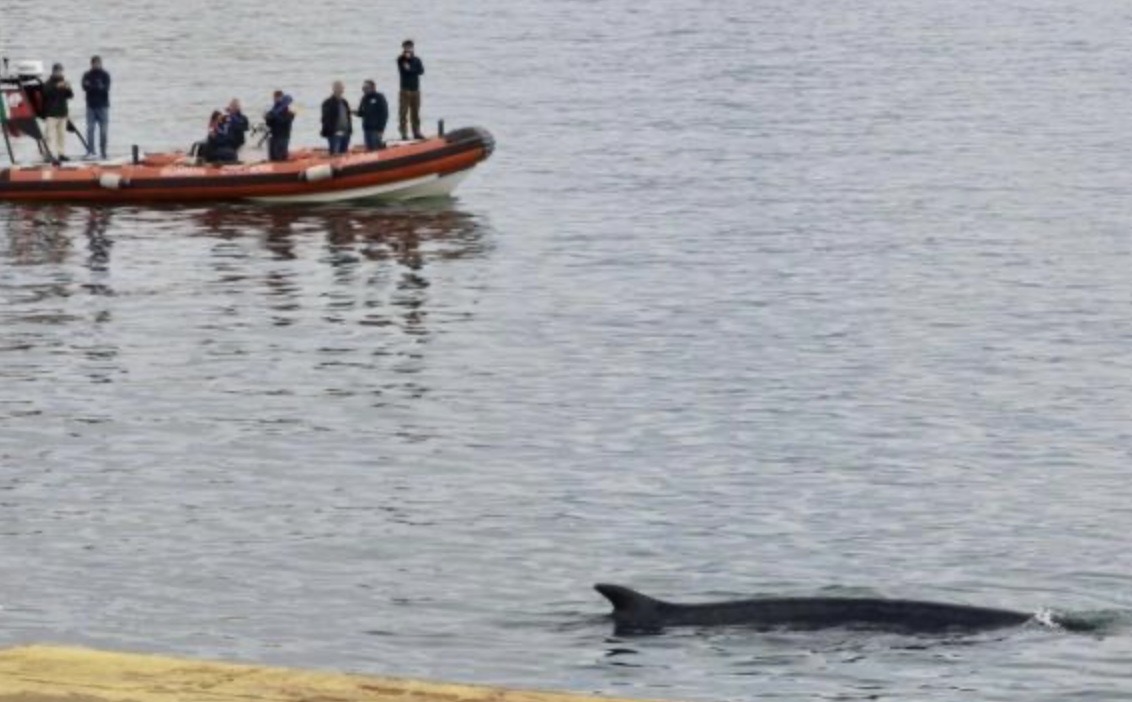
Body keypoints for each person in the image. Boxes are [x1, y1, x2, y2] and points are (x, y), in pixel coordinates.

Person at [81, 55, 110, 159]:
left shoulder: (105, 75)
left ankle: (103, 151)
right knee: (90, 129)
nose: (96, 65)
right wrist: (95, 86)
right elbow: (84, 87)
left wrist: (94, 86)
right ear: (91, 64)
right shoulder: (87, 74)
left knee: (103, 131)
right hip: (90, 106)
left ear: (101, 63)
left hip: (103, 106)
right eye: (94, 63)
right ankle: (91, 151)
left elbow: (106, 88)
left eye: (98, 63)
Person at [42, 63, 74, 161]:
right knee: (49, 136)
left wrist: (68, 88)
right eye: (57, 71)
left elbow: (70, 96)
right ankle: (48, 154)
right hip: (51, 114)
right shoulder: (48, 83)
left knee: (62, 136)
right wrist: (56, 86)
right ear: (53, 72)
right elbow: (45, 93)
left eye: (60, 71)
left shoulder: (64, 82)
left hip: (62, 113)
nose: (59, 73)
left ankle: (61, 154)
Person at [396, 39, 425, 140]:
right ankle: (404, 133)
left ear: (413, 48)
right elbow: (405, 70)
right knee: (403, 113)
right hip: (405, 90)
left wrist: (412, 68)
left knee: (415, 113)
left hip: (416, 90)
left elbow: (421, 71)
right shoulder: (401, 59)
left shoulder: (417, 59)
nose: (408, 49)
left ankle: (416, 132)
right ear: (403, 48)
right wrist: (411, 66)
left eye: (410, 47)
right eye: (406, 47)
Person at [320, 81, 352, 154]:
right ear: (334, 89)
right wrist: (331, 130)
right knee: (334, 153)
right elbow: (325, 118)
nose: (340, 90)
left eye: (341, 88)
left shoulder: (344, 102)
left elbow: (348, 116)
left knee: (344, 153)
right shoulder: (328, 102)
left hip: (346, 132)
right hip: (334, 133)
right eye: (338, 88)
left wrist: (349, 130)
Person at [356, 80, 389, 151]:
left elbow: (384, 114)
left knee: (376, 148)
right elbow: (361, 113)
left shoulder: (379, 97)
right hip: (366, 128)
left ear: (373, 87)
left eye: (367, 87)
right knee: (369, 149)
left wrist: (381, 129)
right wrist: (353, 112)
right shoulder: (364, 98)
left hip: (376, 129)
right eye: (363, 88)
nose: (364, 89)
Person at [264, 90, 295, 162]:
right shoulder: (274, 109)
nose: (275, 99)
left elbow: (284, 121)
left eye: (277, 97)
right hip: (274, 135)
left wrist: (275, 116)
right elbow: (269, 123)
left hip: (283, 136)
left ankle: (283, 166)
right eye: (274, 98)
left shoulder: (287, 112)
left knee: (281, 156)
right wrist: (267, 118)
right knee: (273, 156)